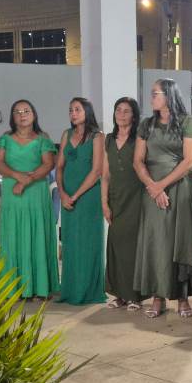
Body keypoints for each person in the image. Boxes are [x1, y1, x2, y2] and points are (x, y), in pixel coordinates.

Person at [133, 78, 192, 318]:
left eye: (155, 93)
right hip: (151, 190)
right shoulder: (146, 124)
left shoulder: (187, 122)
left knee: (179, 240)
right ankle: (158, 296)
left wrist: (160, 186)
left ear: (169, 95)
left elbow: (189, 161)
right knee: (156, 242)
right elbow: (138, 161)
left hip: (178, 189)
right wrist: (152, 186)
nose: (151, 98)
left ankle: (182, 297)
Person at [0, 100, 59, 299]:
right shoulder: (5, 139)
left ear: (34, 114)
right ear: (12, 117)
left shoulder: (42, 139)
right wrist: (17, 176)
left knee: (37, 235)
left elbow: (48, 164)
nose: (22, 114)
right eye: (17, 111)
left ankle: (40, 287)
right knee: (13, 236)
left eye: (26, 111)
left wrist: (26, 181)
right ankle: (14, 287)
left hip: (35, 194)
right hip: (12, 195)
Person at [56, 97, 106, 305]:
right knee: (71, 242)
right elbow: (59, 167)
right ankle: (70, 289)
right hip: (67, 197)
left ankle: (88, 290)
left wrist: (75, 196)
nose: (73, 113)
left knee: (88, 242)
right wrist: (62, 193)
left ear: (87, 111)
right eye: (70, 110)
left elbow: (96, 172)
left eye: (77, 109)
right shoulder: (66, 134)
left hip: (88, 197)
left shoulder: (97, 136)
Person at [101, 97, 145, 311]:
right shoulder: (108, 139)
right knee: (116, 245)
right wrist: (104, 203)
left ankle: (134, 295)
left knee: (133, 247)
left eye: (127, 111)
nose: (121, 114)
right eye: (118, 110)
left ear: (134, 116)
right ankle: (119, 294)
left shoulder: (139, 139)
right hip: (115, 198)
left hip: (136, 197)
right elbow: (105, 175)